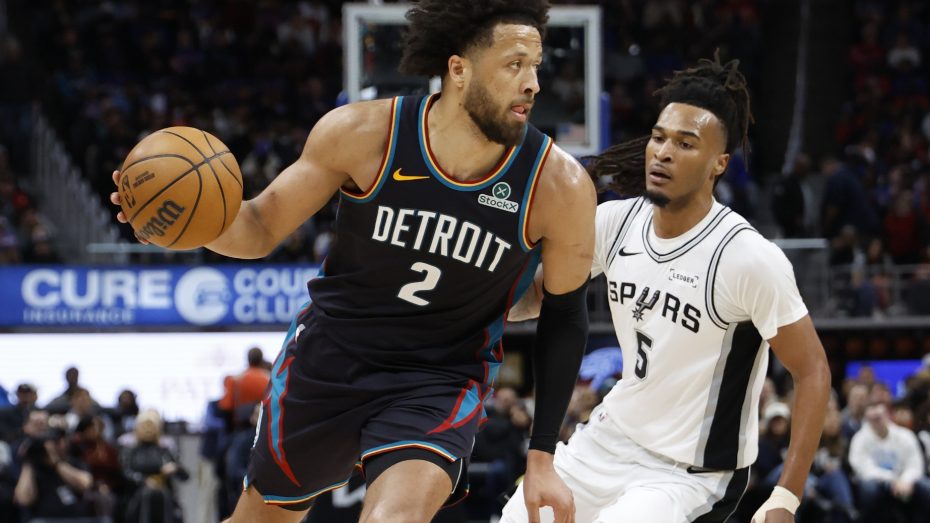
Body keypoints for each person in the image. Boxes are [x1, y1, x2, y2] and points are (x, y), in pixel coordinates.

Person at [111, 1, 595, 522]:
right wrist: (191, 223)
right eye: (514, 64)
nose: (533, 84)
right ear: (459, 69)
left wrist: (542, 456)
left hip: (437, 378)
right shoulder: (364, 135)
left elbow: (565, 313)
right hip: (331, 360)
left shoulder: (558, 186)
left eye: (537, 66)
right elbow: (257, 228)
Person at [502, 55, 831, 523]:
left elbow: (813, 369)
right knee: (518, 517)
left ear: (719, 163)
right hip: (609, 438)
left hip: (691, 472)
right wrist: (477, 290)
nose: (663, 152)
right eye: (658, 137)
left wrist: (786, 496)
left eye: (685, 143)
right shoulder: (614, 222)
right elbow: (536, 297)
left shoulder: (747, 258)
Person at [848, 400, 930, 523]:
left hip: (904, 481)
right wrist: (892, 479)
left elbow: (915, 464)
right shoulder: (859, 439)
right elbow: (862, 468)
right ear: (866, 419)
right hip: (878, 482)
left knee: (925, 486)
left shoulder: (905, 435)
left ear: (888, 415)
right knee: (869, 488)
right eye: (872, 419)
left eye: (879, 417)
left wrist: (905, 480)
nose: (877, 422)